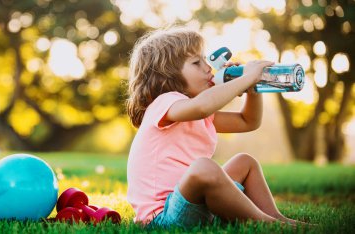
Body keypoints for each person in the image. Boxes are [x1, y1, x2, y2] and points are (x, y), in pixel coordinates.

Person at [126, 26, 301, 230]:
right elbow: (202, 106)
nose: (208, 68)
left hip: (194, 202)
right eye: (196, 62)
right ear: (169, 75)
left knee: (245, 162)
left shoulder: (201, 114)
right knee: (203, 167)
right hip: (163, 217)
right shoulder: (164, 103)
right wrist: (247, 77)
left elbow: (248, 121)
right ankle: (267, 224)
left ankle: (276, 219)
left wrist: (252, 89)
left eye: (205, 60)